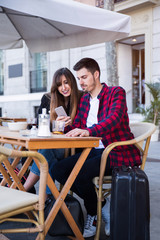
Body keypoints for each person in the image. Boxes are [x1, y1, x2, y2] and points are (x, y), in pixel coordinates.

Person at [51, 58, 141, 238]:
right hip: (93, 151)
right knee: (57, 170)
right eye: (79, 78)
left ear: (96, 74)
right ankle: (101, 205)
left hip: (115, 150)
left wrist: (88, 131)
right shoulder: (85, 100)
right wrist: (61, 125)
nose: (81, 82)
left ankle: (93, 214)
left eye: (84, 77)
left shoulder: (116, 92)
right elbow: (77, 126)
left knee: (82, 174)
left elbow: (113, 119)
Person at [24, 67, 83, 195]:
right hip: (53, 144)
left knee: (44, 153)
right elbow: (40, 125)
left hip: (74, 147)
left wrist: (71, 124)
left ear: (72, 82)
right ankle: (48, 199)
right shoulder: (48, 98)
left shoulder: (82, 98)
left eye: (66, 82)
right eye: (59, 85)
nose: (63, 87)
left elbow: (83, 123)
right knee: (46, 153)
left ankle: (24, 190)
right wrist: (54, 124)